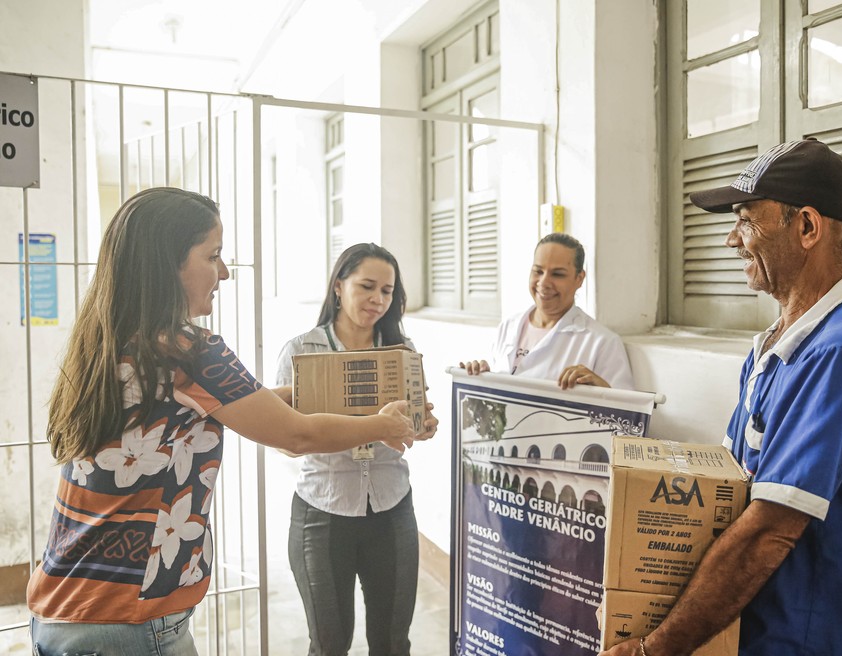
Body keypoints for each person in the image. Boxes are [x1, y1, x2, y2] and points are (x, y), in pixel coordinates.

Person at [26, 188, 422, 656]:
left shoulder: (113, 340)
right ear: (166, 263)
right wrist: (382, 425)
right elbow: (295, 432)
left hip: (64, 601)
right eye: (213, 256)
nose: (225, 272)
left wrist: (346, 394)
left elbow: (244, 405)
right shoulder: (190, 350)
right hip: (129, 616)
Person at [599, 139, 842, 655]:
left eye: (746, 221)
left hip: (808, 640)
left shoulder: (840, 356)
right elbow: (730, 492)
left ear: (807, 227)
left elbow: (768, 531)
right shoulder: (775, 347)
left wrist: (658, 647)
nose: (731, 241)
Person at [275, 242, 438, 656]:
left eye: (387, 291)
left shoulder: (401, 352)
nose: (377, 300)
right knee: (329, 645)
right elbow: (287, 443)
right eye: (367, 286)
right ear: (338, 286)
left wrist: (422, 426)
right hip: (322, 512)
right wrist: (371, 425)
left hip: (392, 507)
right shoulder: (302, 351)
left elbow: (413, 424)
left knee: (392, 643)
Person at [459, 232, 634, 390]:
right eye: (538, 271)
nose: (544, 282)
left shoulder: (602, 343)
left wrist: (602, 389)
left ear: (579, 279)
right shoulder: (508, 327)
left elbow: (627, 417)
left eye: (557, 274)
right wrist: (484, 379)